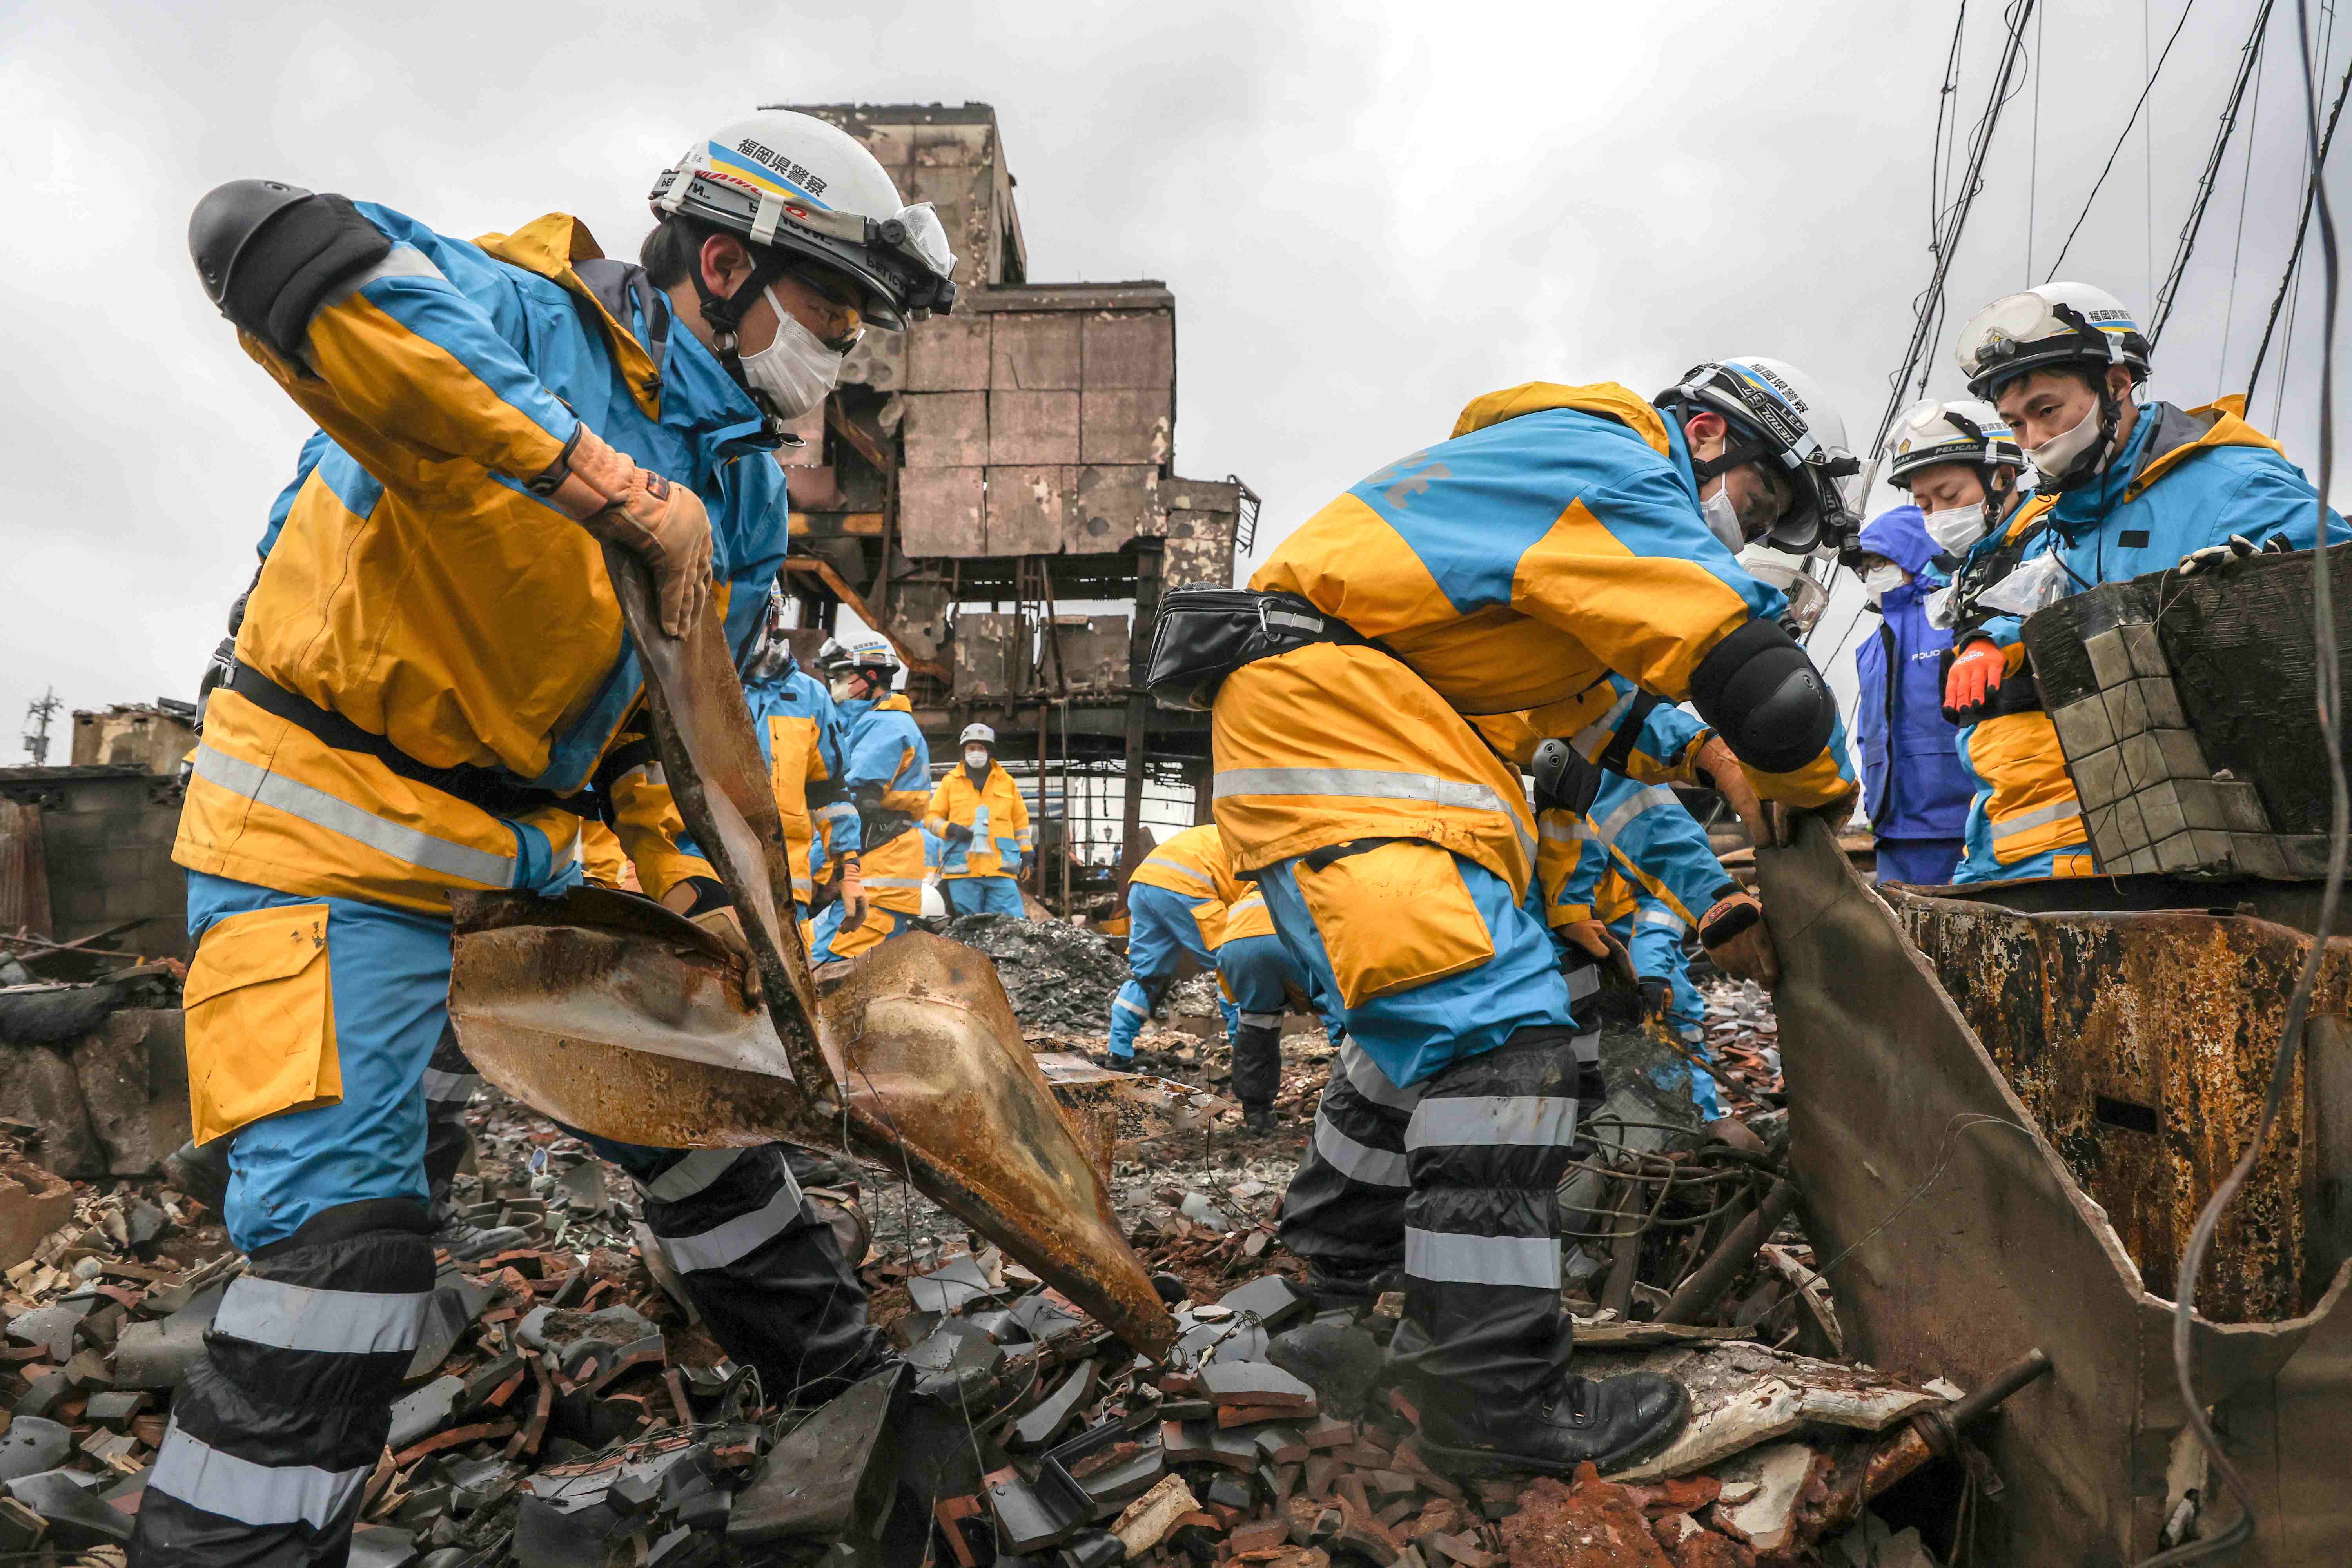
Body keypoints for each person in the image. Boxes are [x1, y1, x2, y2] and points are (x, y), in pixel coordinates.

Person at [153, 108, 953, 1563]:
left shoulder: (746, 490)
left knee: (708, 1126)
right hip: (332, 845)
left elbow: (665, 736)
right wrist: (603, 484)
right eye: (834, 306)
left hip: (534, 857)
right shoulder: (518, 316)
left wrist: (711, 911)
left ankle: (844, 1397)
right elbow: (256, 233)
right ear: (724, 264)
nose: (846, 345)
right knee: (349, 1258)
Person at [1213, 361, 1860, 1474]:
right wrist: (1815, 798)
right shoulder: (1610, 462)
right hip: (1347, 727)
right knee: (1508, 1047)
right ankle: (1494, 1401)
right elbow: (1761, 678)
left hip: (1347, 716)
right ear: (1707, 436)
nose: (1739, 527)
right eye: (1755, 501)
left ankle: (1322, 1297)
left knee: (1421, 1041)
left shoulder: (1536, 485)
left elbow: (1570, 704)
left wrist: (1701, 748)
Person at [1944, 283, 2348, 880]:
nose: (2033, 441)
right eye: (2015, 423)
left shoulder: (2232, 479)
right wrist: (1989, 638)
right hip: (2143, 837)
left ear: (2115, 385)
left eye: (2046, 410)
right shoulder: (2070, 521)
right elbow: (2047, 597)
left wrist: (2255, 585)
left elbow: (2333, 590)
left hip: (2273, 847)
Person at [1846, 500, 1975, 886]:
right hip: (1893, 828)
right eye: (1866, 567)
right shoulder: (1871, 647)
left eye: (1880, 562)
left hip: (1960, 823)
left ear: (1915, 555)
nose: (1872, 575)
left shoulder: (1958, 623)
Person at [809, 633, 929, 961]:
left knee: (824, 973)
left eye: (841, 676)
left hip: (877, 882)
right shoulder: (865, 724)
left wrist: (814, 872)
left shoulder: (886, 726)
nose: (835, 685)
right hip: (874, 880)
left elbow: (851, 805)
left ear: (871, 677)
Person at [926, 722, 1032, 915]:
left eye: (981, 748)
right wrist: (951, 829)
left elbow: (1020, 822)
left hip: (1000, 871)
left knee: (1011, 927)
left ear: (989, 752)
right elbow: (932, 818)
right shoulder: (950, 782)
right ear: (964, 751)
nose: (976, 753)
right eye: (971, 748)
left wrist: (1027, 853)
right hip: (964, 871)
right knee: (968, 930)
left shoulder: (1006, 782)